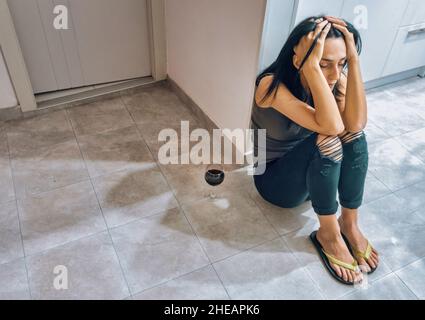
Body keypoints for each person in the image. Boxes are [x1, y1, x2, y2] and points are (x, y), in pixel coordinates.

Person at [251, 15, 379, 285]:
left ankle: (350, 224)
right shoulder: (269, 86)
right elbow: (331, 126)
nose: (334, 74)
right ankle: (329, 235)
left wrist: (354, 61)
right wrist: (309, 67)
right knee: (330, 137)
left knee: (354, 134)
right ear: (299, 60)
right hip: (275, 183)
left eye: (341, 63)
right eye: (324, 64)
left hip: (320, 176)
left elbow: (355, 125)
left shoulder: (336, 78)